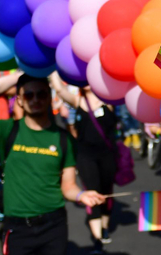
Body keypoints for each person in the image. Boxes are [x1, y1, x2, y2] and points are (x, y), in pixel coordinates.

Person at [0, 56, 106, 255]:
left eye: (41, 94)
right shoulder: (8, 130)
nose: (35, 100)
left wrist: (81, 195)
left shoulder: (63, 139)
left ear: (49, 97)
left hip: (54, 226)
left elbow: (68, 185)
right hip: (17, 228)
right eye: (29, 95)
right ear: (19, 100)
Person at [49, 73, 118, 253]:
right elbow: (60, 90)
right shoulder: (77, 102)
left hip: (108, 156)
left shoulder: (108, 100)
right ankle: (97, 240)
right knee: (92, 190)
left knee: (106, 191)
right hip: (85, 156)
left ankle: (104, 226)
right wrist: (52, 71)